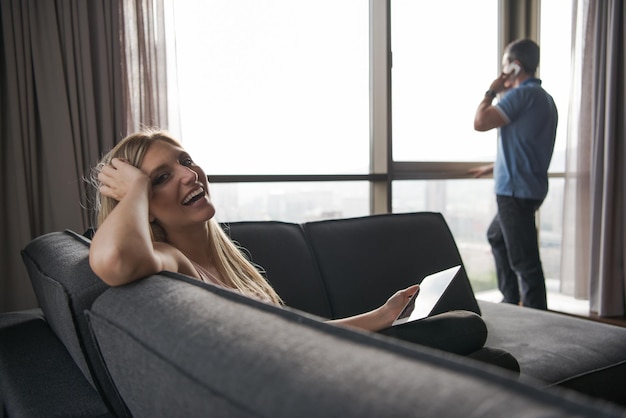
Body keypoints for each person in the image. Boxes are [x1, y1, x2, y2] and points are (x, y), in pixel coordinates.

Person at [88, 129, 519, 371]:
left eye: (185, 160)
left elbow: (298, 340)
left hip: (308, 369)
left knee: (487, 356)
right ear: (142, 206)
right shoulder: (173, 261)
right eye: (161, 177)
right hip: (301, 389)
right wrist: (135, 192)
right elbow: (112, 259)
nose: (187, 174)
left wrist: (382, 315)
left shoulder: (227, 261)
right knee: (470, 334)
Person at [471, 39, 558, 310]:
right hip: (529, 189)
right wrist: (494, 167)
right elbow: (525, 148)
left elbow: (480, 122)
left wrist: (491, 90)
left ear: (515, 66)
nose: (502, 71)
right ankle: (510, 300)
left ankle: (536, 320)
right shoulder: (544, 99)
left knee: (525, 263)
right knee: (497, 236)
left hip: (513, 192)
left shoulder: (521, 96)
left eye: (505, 65)